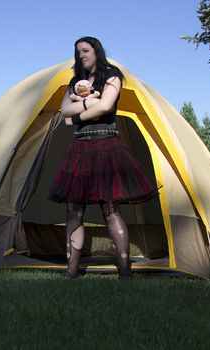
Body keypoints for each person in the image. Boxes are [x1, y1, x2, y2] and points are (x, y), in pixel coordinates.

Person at [48, 36, 162, 280]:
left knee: (110, 208)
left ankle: (125, 271)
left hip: (106, 144)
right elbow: (64, 110)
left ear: (96, 50)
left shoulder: (112, 74)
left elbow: (105, 107)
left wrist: (78, 112)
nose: (81, 55)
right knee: (73, 210)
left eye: (85, 50)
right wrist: (91, 100)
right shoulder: (75, 81)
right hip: (80, 148)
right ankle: (71, 271)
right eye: (78, 52)